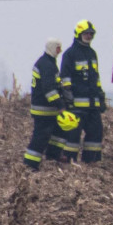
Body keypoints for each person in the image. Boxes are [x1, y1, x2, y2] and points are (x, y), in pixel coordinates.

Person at [62, 19, 107, 164]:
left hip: (92, 105)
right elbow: (65, 78)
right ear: (78, 34)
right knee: (73, 136)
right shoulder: (70, 54)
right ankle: (69, 161)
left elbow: (96, 78)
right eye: (86, 33)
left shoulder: (92, 53)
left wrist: (100, 97)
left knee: (96, 133)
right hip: (77, 105)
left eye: (91, 34)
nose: (89, 36)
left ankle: (91, 161)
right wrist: (69, 99)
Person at [23, 38, 66, 170]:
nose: (60, 51)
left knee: (57, 133)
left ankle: (53, 156)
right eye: (58, 48)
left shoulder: (48, 63)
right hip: (43, 109)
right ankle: (30, 164)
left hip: (47, 109)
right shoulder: (47, 65)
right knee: (40, 138)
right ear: (52, 48)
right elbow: (49, 89)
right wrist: (60, 105)